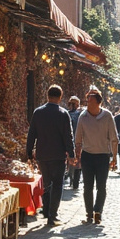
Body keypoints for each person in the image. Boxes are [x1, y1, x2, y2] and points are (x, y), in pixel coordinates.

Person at [26, 84, 74, 227]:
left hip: (43, 154)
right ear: (60, 97)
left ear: (48, 96)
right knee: (57, 185)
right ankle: (53, 215)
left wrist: (29, 151)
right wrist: (71, 154)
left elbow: (32, 133)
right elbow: (68, 136)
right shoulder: (63, 114)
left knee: (47, 183)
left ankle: (46, 211)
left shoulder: (38, 112)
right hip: (58, 155)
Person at [74, 88, 119, 224]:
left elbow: (114, 138)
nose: (88, 103)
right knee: (87, 186)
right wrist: (77, 155)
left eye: (91, 101)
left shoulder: (107, 116)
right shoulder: (83, 116)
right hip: (87, 156)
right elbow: (78, 139)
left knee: (101, 186)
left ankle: (98, 211)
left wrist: (114, 157)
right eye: (87, 100)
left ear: (98, 103)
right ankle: (89, 213)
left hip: (103, 156)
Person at [66, 95, 83, 192]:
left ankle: (70, 177)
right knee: (78, 162)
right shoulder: (80, 115)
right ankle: (75, 182)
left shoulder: (66, 114)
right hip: (78, 141)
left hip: (67, 141)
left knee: (68, 160)